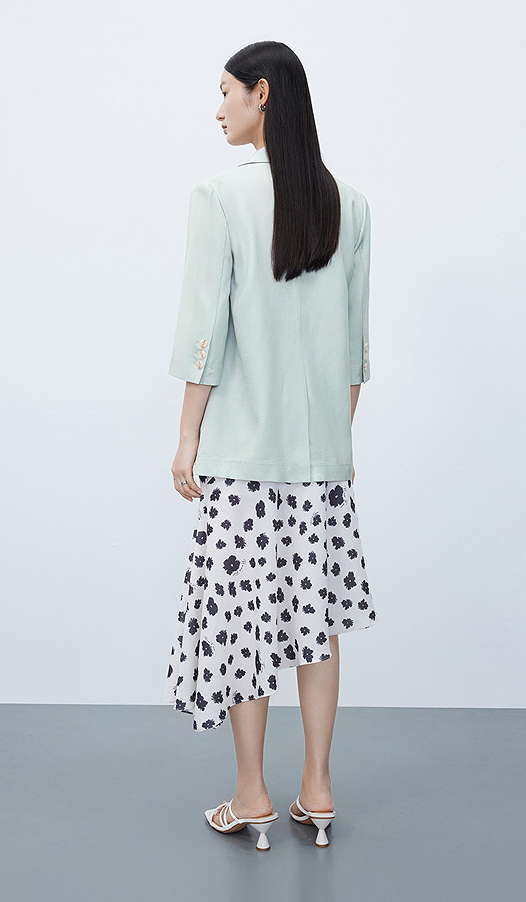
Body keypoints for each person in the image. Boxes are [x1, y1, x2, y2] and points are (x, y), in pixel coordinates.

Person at [162, 41, 376, 851]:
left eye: (225, 92)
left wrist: (187, 437)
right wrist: (327, 446)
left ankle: (251, 795)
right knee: (314, 622)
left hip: (241, 457)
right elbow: (355, 352)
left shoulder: (219, 197)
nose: (217, 109)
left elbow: (203, 333)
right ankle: (317, 790)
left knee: (242, 621)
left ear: (261, 94)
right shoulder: (350, 204)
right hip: (320, 463)